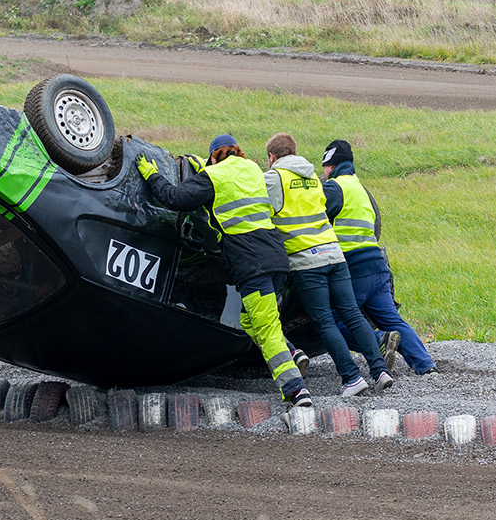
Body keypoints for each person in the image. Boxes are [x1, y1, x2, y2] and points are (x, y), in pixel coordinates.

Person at [137, 134, 314, 408]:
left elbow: (174, 197)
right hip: (276, 258)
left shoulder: (213, 177)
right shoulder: (254, 168)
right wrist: (205, 167)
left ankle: (295, 390)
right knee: (250, 321)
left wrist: (152, 175)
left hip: (251, 263)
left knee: (265, 328)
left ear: (213, 157)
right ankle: (291, 350)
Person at [264, 133, 391, 397]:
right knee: (352, 314)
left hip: (306, 260)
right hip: (334, 254)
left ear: (272, 157)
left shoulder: (273, 179)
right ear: (295, 151)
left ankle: (352, 378)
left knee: (324, 322)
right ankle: (379, 372)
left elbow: (262, 214)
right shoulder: (314, 178)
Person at [321, 139, 437, 375]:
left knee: (331, 321)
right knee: (393, 320)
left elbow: (313, 221)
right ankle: (426, 367)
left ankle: (379, 342)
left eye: (324, 167)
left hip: (353, 268)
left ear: (330, 165)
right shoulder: (361, 190)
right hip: (377, 264)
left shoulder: (334, 188)